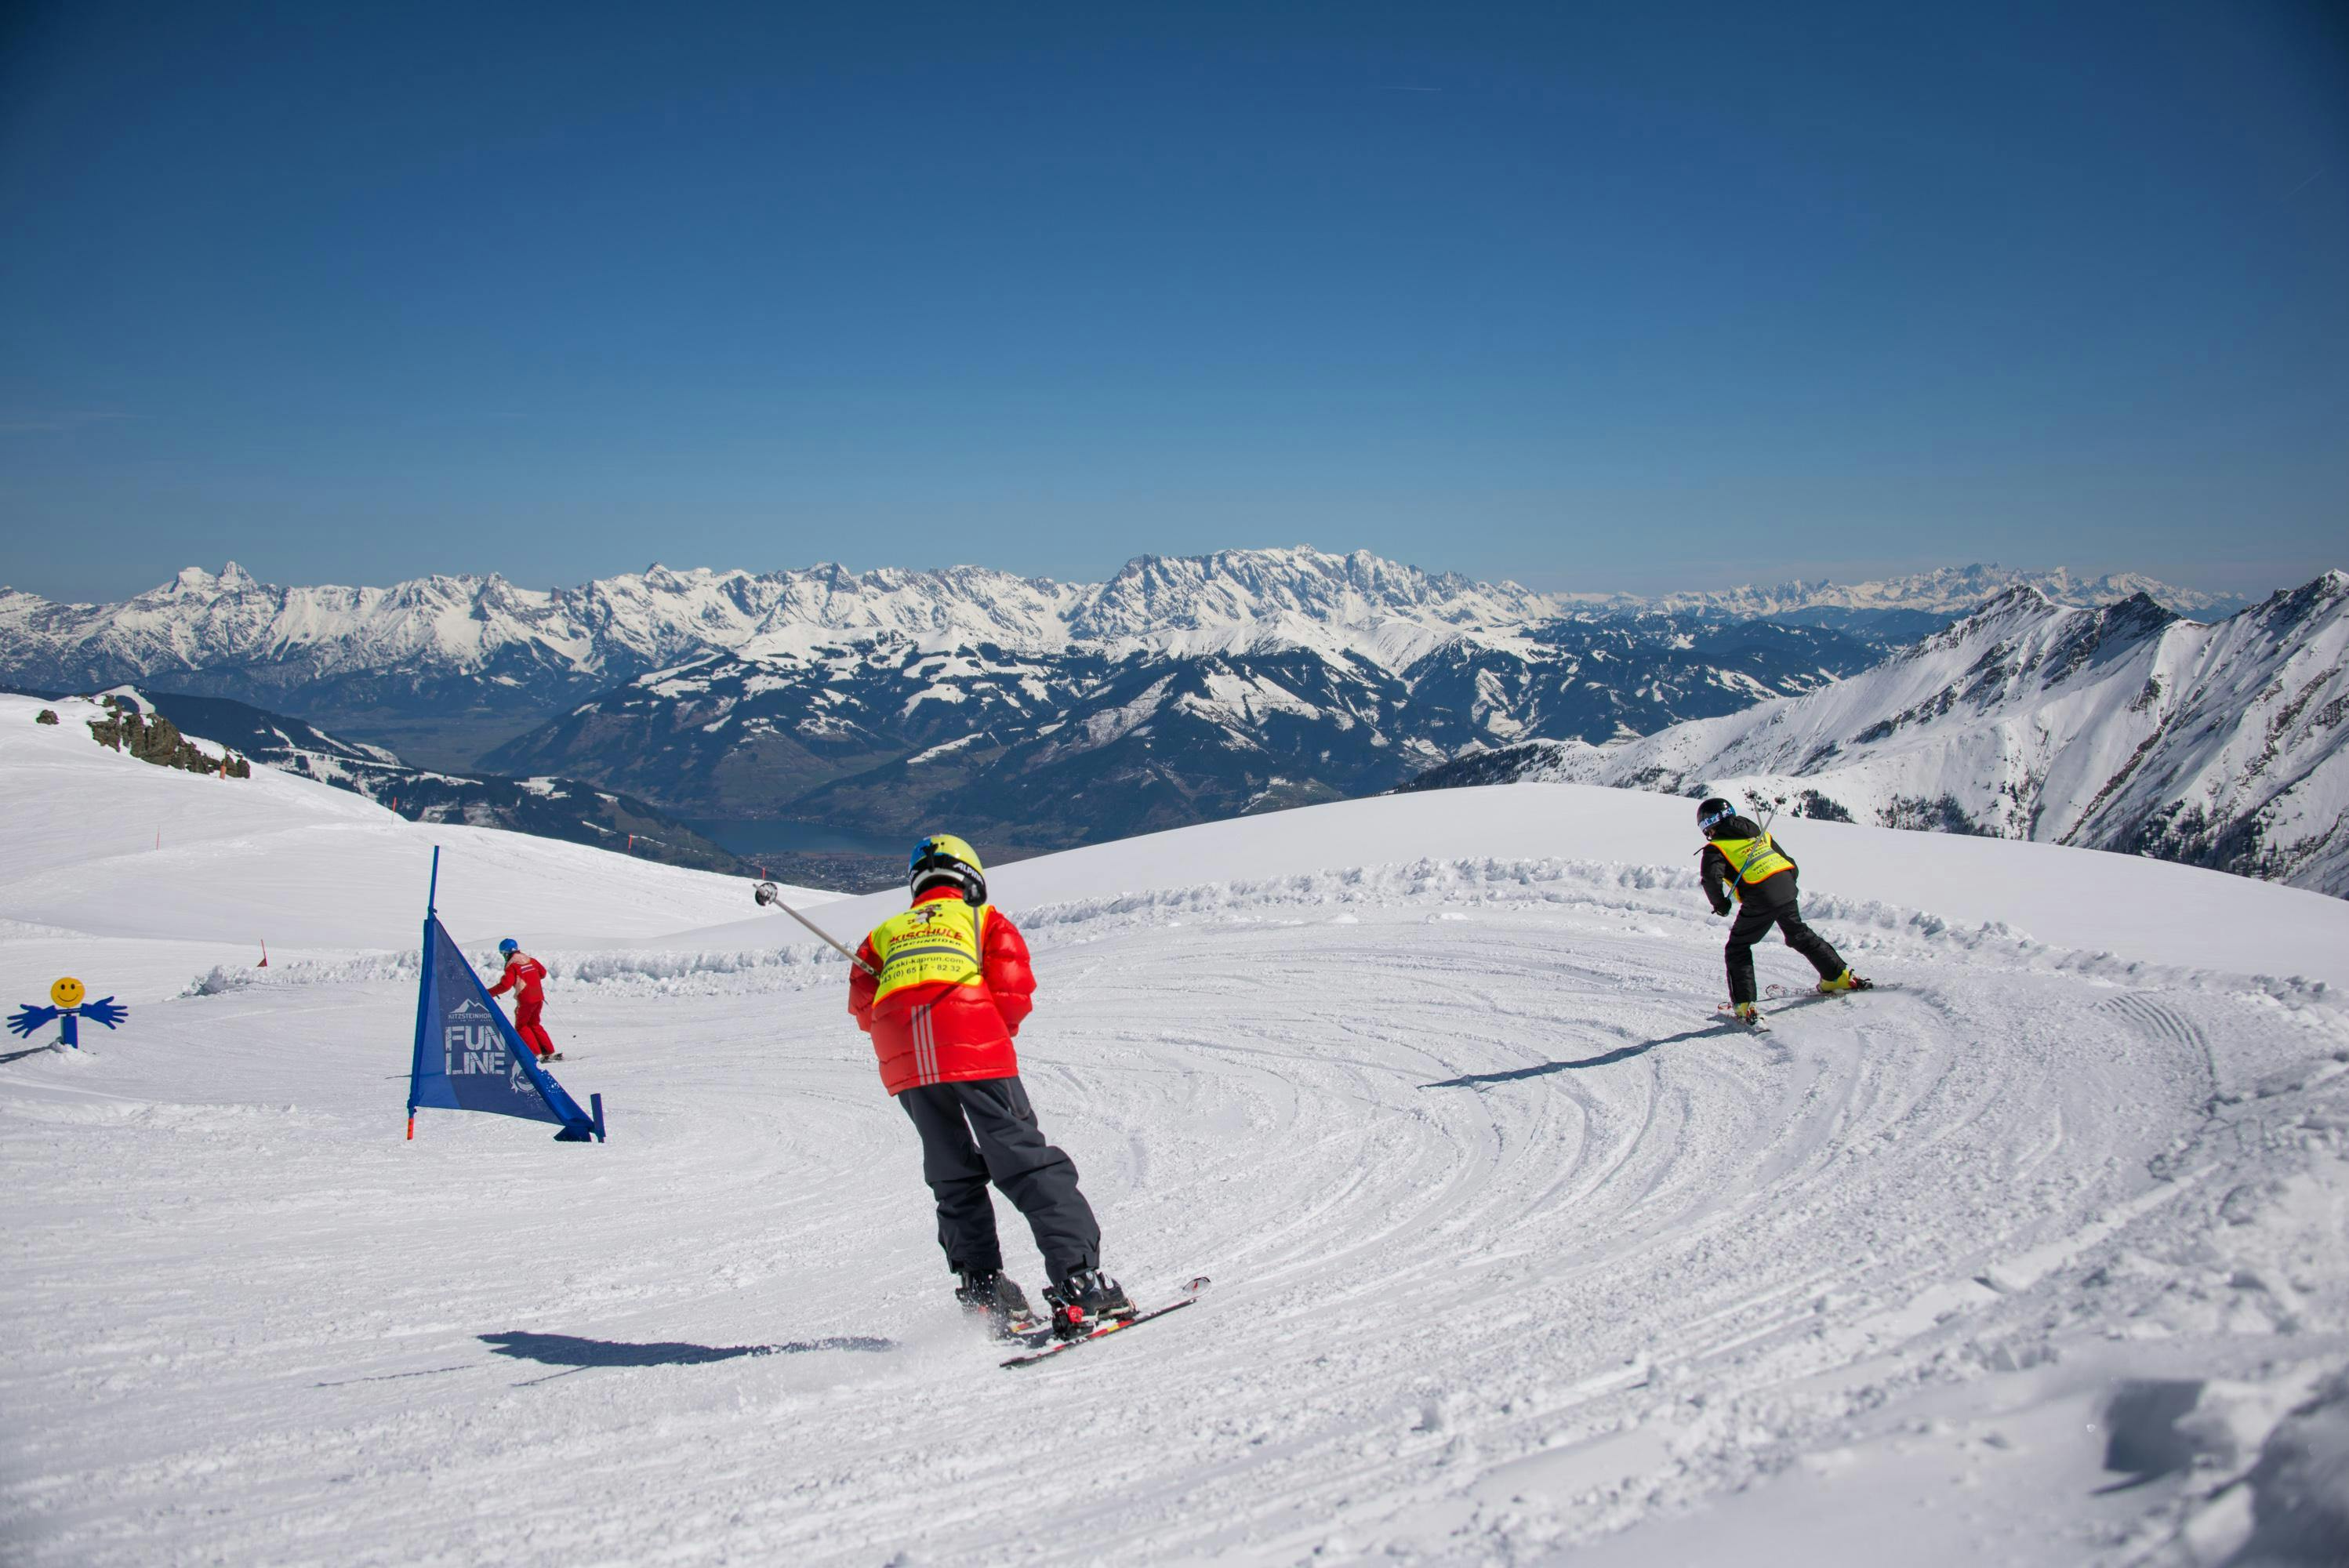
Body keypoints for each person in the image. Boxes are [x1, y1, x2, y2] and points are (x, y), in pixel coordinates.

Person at [848, 833, 1131, 1341]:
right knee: (1023, 1158)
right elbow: (1012, 990)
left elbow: (864, 1005)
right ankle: (1081, 1286)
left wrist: (914, 1040)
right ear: (971, 879)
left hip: (904, 1053)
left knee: (951, 1171)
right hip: (971, 1037)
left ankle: (984, 1294)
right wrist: (987, 1036)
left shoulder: (884, 932)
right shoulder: (983, 919)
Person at [1697, 797, 1871, 1025]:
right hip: (1786, 886)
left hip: (1761, 896)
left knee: (1738, 947)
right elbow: (1789, 863)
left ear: (1709, 824)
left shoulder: (1716, 848)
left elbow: (1711, 879)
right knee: (1798, 933)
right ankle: (1838, 976)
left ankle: (1744, 1005)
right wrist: (1784, 886)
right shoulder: (1758, 832)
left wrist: (1720, 904)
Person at [488, 938, 559, 1062]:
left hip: (526, 1000)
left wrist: (489, 993)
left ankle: (536, 1054)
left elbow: (505, 985)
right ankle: (549, 1051)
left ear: (505, 953)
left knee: (522, 1026)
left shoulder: (512, 965)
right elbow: (542, 973)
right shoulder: (530, 960)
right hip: (538, 997)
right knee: (534, 1024)